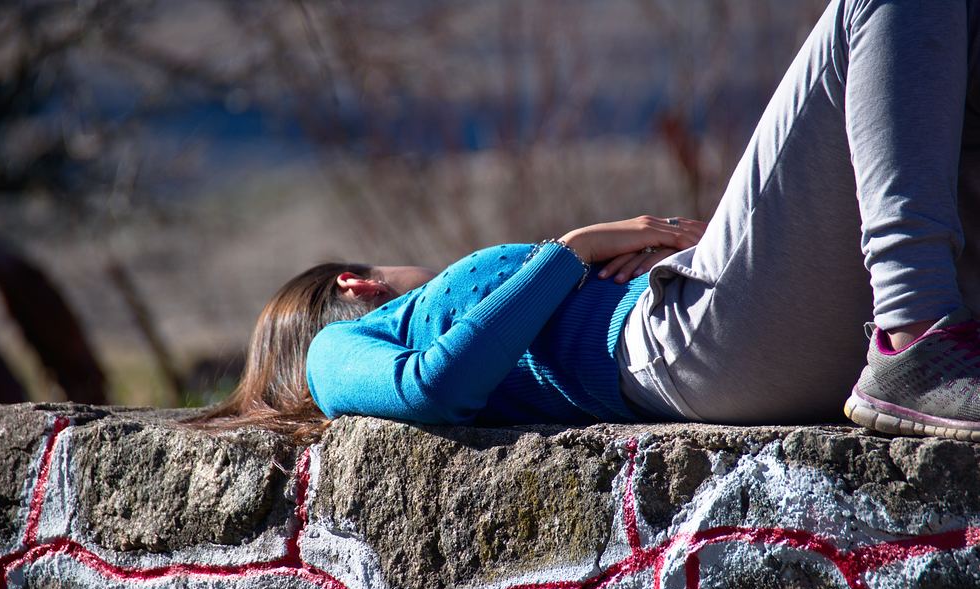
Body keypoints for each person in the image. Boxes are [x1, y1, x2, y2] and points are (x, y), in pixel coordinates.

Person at [196, 0, 980, 440]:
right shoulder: (339, 349)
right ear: (355, 282)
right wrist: (568, 253)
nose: (410, 268)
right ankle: (914, 337)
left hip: (731, 342)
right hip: (690, 350)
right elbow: (434, 388)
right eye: (385, 267)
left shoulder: (455, 319)